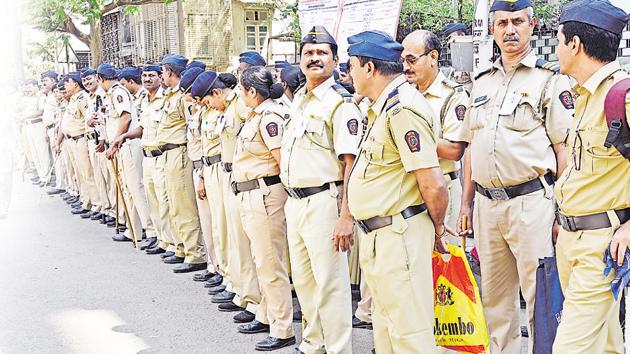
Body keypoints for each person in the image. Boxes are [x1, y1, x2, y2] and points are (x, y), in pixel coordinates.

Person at [456, 0, 573, 351]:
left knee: (540, 297)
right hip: (486, 206)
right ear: (492, 29)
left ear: (532, 25)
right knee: (494, 299)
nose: (510, 30)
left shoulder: (549, 81)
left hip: (531, 204)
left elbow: (563, 151)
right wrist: (465, 204)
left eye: (518, 22)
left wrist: (562, 212)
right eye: (502, 22)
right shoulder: (480, 83)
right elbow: (471, 149)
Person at [345, 29, 448, 354]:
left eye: (352, 66)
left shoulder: (403, 109)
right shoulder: (382, 107)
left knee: (410, 336)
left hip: (399, 235)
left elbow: (432, 181)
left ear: (369, 69)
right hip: (380, 237)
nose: (350, 74)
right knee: (388, 334)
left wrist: (438, 228)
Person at [553, 1, 630, 352]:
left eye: (557, 40)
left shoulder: (621, 96)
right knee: (605, 344)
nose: (556, 49)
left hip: (602, 245)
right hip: (572, 240)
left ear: (575, 45)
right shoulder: (583, 95)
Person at [280, 25, 360, 354]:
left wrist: (345, 215)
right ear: (300, 60)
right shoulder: (300, 99)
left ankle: (339, 348)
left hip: (324, 202)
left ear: (335, 59)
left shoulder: (339, 104)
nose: (314, 58)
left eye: (321, 53)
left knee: (331, 284)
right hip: (295, 202)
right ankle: (313, 343)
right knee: (304, 281)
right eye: (309, 53)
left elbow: (350, 164)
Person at [229, 65, 295, 351]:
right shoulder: (256, 115)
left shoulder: (270, 117)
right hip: (252, 193)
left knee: (271, 263)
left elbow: (284, 161)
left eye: (241, 90)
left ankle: (282, 328)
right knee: (262, 259)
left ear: (252, 92)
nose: (239, 95)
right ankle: (267, 314)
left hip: (265, 194)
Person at [194, 70, 262, 323]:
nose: (208, 107)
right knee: (231, 237)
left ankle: (253, 298)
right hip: (226, 174)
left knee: (244, 242)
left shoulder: (240, 107)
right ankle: (241, 291)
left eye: (208, 101)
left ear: (216, 93)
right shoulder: (225, 109)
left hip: (242, 176)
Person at [402, 30, 468, 234]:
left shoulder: (452, 95)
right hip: (410, 191)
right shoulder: (404, 94)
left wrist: (410, 137)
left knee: (445, 260)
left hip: (443, 187)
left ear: (433, 57)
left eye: (411, 60)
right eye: (403, 60)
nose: (405, 67)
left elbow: (454, 150)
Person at [155, 54, 207, 272]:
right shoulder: (170, 96)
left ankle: (195, 253)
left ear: (169, 71)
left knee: (183, 204)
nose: (161, 75)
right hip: (167, 153)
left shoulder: (183, 97)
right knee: (173, 205)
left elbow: (193, 127)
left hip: (179, 152)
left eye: (163, 71)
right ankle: (182, 247)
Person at [98, 63, 156, 246]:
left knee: (136, 188)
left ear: (100, 79)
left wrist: (116, 141)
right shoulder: (111, 94)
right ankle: (134, 230)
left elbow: (126, 117)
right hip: (122, 144)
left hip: (128, 144)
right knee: (128, 190)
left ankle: (151, 231)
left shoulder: (117, 92)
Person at [55, 72, 99, 217]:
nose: (65, 86)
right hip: (72, 140)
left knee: (88, 173)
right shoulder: (73, 99)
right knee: (80, 174)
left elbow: (88, 122)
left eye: (67, 83)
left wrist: (89, 141)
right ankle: (86, 201)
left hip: (81, 139)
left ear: (75, 84)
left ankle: (96, 205)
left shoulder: (82, 98)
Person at [82, 68, 115, 223]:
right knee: (99, 177)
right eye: (84, 81)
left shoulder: (103, 95)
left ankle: (113, 211)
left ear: (97, 78)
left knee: (109, 178)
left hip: (102, 140)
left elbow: (104, 118)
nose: (87, 82)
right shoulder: (90, 96)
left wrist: (102, 138)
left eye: (89, 79)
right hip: (92, 140)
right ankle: (105, 208)